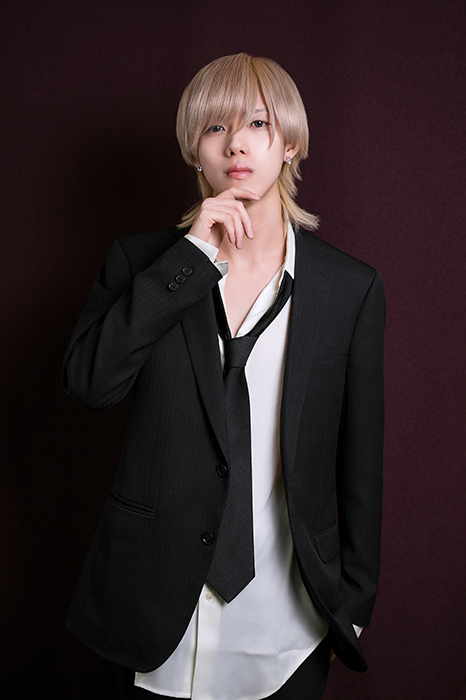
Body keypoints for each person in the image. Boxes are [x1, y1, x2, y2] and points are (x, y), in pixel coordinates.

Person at [63, 53, 385, 700]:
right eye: (216, 127)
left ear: (288, 144)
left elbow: (361, 460)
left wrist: (352, 604)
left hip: (288, 627)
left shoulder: (349, 289)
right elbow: (90, 385)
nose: (236, 143)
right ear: (194, 151)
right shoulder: (140, 264)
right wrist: (187, 260)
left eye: (258, 124)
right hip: (153, 615)